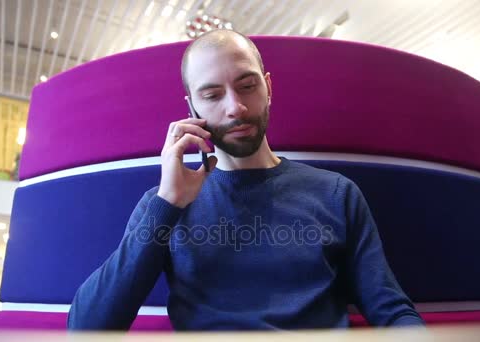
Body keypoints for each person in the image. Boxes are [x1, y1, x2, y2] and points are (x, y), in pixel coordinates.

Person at [67, 30, 424, 330]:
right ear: (193, 109)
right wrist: (168, 204)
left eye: (247, 86)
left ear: (268, 87)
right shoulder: (163, 203)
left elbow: (391, 313)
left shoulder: (336, 193)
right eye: (212, 95)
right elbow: (86, 328)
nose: (235, 107)